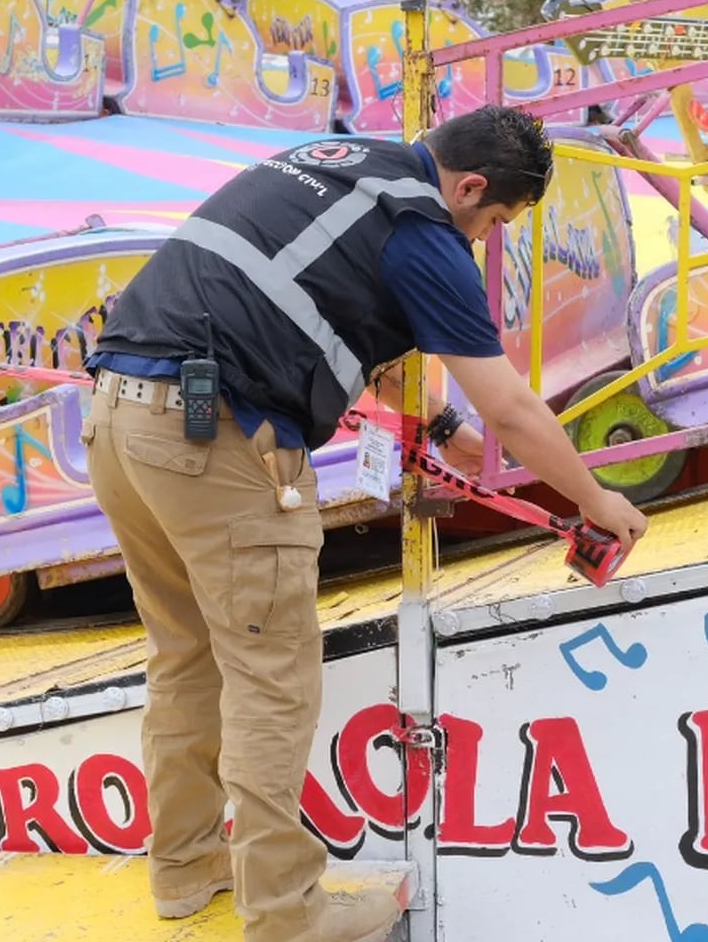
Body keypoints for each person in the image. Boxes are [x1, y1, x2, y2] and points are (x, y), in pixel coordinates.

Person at [81, 104, 649, 942]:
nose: (487, 241)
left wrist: (443, 433)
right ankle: (284, 916)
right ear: (471, 186)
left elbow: (334, 324)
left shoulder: (335, 161)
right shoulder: (423, 234)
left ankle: (185, 868)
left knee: (185, 656)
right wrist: (595, 501)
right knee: (272, 678)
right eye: (494, 222)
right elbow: (514, 408)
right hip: (218, 446)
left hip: (121, 424)